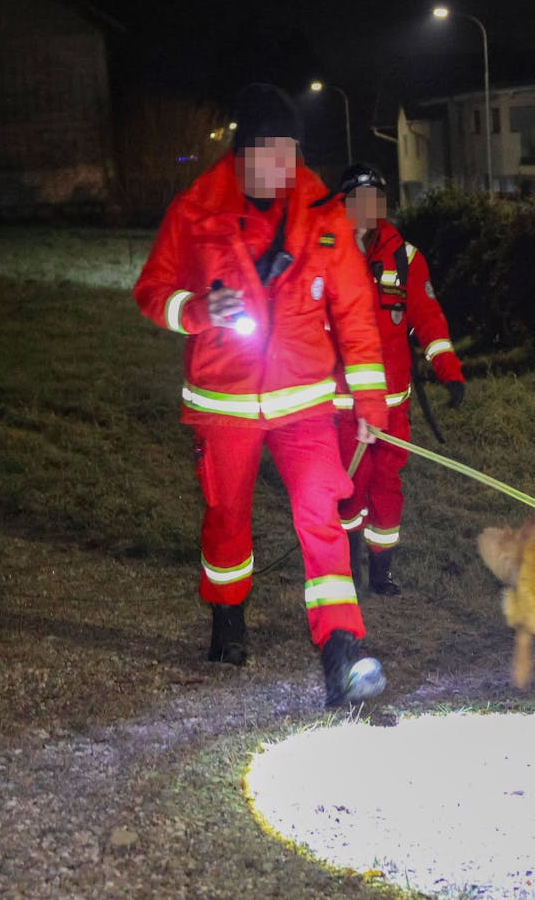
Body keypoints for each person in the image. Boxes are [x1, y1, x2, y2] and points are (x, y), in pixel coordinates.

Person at [131, 84, 391, 707]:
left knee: (321, 518)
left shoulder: (325, 214)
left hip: (305, 405)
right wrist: (196, 310)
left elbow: (356, 314)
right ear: (241, 153)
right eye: (269, 153)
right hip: (224, 404)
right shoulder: (195, 211)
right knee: (227, 520)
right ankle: (227, 617)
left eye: (292, 152)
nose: (283, 167)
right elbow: (151, 292)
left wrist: (370, 407)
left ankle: (341, 651)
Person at [327, 164, 466, 596]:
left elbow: (428, 318)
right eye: (359, 199)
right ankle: (346, 565)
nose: (367, 208)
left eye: (375, 199)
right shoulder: (326, 249)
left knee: (387, 486)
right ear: (345, 202)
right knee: (351, 489)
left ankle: (381, 572)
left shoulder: (405, 257)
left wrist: (449, 370)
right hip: (344, 403)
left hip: (393, 406)